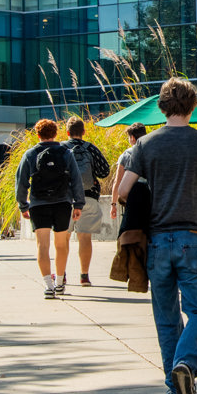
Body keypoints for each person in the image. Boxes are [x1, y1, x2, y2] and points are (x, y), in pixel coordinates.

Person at [114, 77, 197, 394]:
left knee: (166, 318)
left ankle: (175, 389)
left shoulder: (145, 145)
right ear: (193, 106)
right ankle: (186, 364)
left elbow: (124, 190)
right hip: (193, 240)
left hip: (157, 243)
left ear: (162, 106)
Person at [15, 119, 85, 298]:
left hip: (38, 204)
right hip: (62, 203)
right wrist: (78, 204)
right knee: (61, 245)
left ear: (38, 135)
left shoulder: (30, 154)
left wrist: (23, 205)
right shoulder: (65, 153)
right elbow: (76, 180)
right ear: (56, 134)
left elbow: (21, 182)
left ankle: (48, 286)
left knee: (42, 245)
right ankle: (60, 282)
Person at [62, 116, 112, 287]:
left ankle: (62, 275)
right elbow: (105, 170)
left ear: (67, 132)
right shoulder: (90, 148)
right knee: (85, 238)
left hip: (65, 199)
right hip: (88, 197)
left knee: (63, 239)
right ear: (83, 132)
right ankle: (84, 276)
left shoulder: (61, 148)